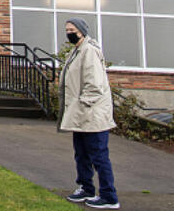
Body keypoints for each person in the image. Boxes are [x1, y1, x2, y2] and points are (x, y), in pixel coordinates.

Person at [58, 18, 119, 209]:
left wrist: (83, 105)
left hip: (92, 115)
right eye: (67, 29)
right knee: (82, 154)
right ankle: (86, 187)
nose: (69, 32)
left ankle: (109, 196)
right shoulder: (77, 51)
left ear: (82, 31)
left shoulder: (89, 51)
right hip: (81, 114)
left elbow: (94, 85)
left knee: (98, 156)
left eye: (72, 29)